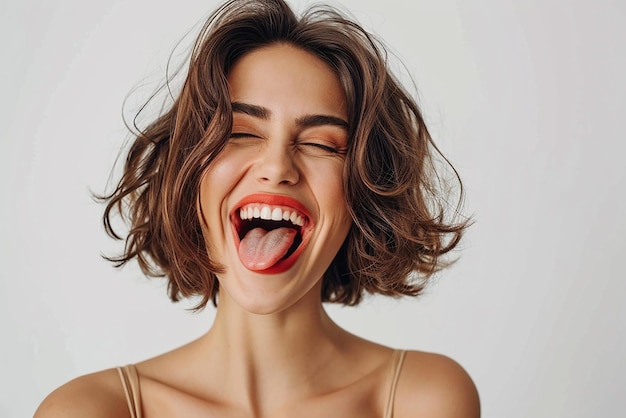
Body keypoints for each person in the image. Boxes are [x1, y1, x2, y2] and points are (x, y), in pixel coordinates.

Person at [35, 0, 479, 416]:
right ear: (190, 173)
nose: (276, 167)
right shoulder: (92, 409)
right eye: (241, 132)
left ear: (365, 193)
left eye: (321, 143)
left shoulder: (422, 398)